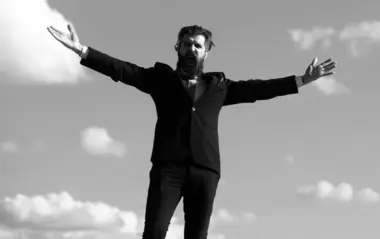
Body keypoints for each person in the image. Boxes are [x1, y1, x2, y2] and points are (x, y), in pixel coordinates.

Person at [47, 23, 337, 239]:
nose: (191, 49)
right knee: (155, 232)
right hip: (167, 169)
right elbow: (122, 70)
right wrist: (82, 50)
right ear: (177, 48)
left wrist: (301, 80)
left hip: (205, 171)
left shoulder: (220, 87)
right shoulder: (160, 80)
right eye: (186, 44)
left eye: (198, 45)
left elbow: (259, 89)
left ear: (206, 52)